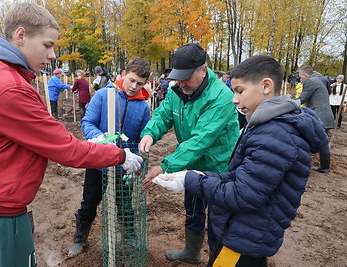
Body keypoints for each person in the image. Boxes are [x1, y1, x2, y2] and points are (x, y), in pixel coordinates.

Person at [0, 3, 142, 267]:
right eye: (47, 45)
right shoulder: (9, 88)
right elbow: (66, 149)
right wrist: (119, 155)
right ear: (21, 36)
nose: (52, 55)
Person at [152, 55, 328, 267]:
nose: (234, 99)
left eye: (240, 91)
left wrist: (191, 180)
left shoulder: (275, 135)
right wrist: (201, 175)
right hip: (242, 233)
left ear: (265, 86)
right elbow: (241, 176)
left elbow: (242, 194)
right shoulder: (265, 127)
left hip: (243, 239)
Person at [140, 43, 239, 264]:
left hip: (218, 166)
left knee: (219, 218)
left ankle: (217, 260)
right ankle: (192, 252)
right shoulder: (178, 90)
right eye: (178, 77)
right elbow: (163, 114)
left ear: (203, 70)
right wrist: (150, 134)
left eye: (186, 77)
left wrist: (166, 165)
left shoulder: (221, 97)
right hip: (191, 162)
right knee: (193, 207)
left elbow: (200, 140)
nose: (181, 82)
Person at [68, 57, 151, 258]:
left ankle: (129, 234)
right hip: (97, 163)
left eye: (139, 83)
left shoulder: (143, 107)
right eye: (131, 80)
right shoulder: (104, 96)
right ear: (123, 74)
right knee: (89, 201)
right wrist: (99, 138)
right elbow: (87, 122)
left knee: (124, 202)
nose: (134, 86)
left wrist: (137, 160)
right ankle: (80, 236)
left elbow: (143, 138)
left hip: (124, 165)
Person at [298, 66, 335, 173]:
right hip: (324, 116)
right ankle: (324, 167)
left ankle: (324, 168)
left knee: (322, 143)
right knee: (322, 142)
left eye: (301, 77)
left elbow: (302, 98)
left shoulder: (310, 81)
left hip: (320, 117)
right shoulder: (316, 80)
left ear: (305, 75)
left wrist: (287, 104)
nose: (301, 80)